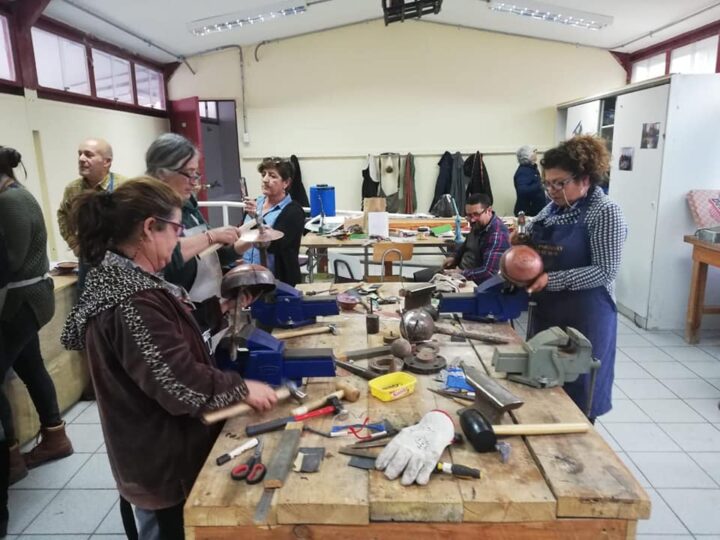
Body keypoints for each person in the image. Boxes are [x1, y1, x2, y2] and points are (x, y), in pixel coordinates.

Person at [61, 177, 278, 538]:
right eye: (176, 230)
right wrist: (241, 389)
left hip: (154, 450)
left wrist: (220, 309)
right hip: (162, 464)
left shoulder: (124, 281)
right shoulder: (132, 300)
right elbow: (178, 384)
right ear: (149, 228)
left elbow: (165, 337)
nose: (178, 242)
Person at [524, 135, 627, 421]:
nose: (552, 191)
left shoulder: (605, 212)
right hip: (549, 313)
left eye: (559, 183)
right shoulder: (553, 209)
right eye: (547, 183)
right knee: (543, 386)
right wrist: (522, 240)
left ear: (585, 178)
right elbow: (532, 230)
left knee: (579, 393)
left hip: (585, 317)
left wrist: (551, 280)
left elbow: (605, 270)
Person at [0, 146, 73, 485]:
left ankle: (10, 459)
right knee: (30, 365)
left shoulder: (10, 200)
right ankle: (55, 437)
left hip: (21, 301)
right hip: (27, 299)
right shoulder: (14, 194)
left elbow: (10, 262)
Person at [145, 133, 245, 302]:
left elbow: (211, 256)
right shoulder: (147, 209)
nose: (194, 182)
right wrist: (211, 236)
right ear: (162, 173)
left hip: (204, 306)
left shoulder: (189, 208)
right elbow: (167, 258)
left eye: (196, 174)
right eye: (189, 174)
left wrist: (245, 242)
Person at [57, 138, 126, 288]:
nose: (81, 159)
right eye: (80, 154)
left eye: (88, 155)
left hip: (121, 261)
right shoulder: (73, 189)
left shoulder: (125, 187)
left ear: (107, 162)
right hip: (87, 260)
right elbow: (63, 215)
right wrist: (74, 244)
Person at [414, 193, 510, 285]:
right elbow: (466, 246)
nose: (472, 219)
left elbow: (489, 273)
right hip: (461, 272)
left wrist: (460, 273)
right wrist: (454, 258)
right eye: (469, 215)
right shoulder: (478, 224)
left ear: (488, 210)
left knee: (425, 286)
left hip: (474, 282)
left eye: (476, 214)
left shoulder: (497, 234)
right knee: (418, 277)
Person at [240, 157, 305, 286]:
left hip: (275, 282)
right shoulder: (256, 203)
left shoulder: (294, 212)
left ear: (286, 183)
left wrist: (257, 218)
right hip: (247, 278)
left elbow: (276, 245)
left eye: (272, 176)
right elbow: (243, 234)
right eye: (263, 175)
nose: (265, 180)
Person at [513, 145, 546, 216]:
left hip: (536, 211)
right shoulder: (523, 171)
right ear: (527, 156)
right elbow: (522, 191)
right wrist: (540, 185)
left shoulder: (532, 168)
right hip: (528, 213)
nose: (536, 152)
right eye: (534, 151)